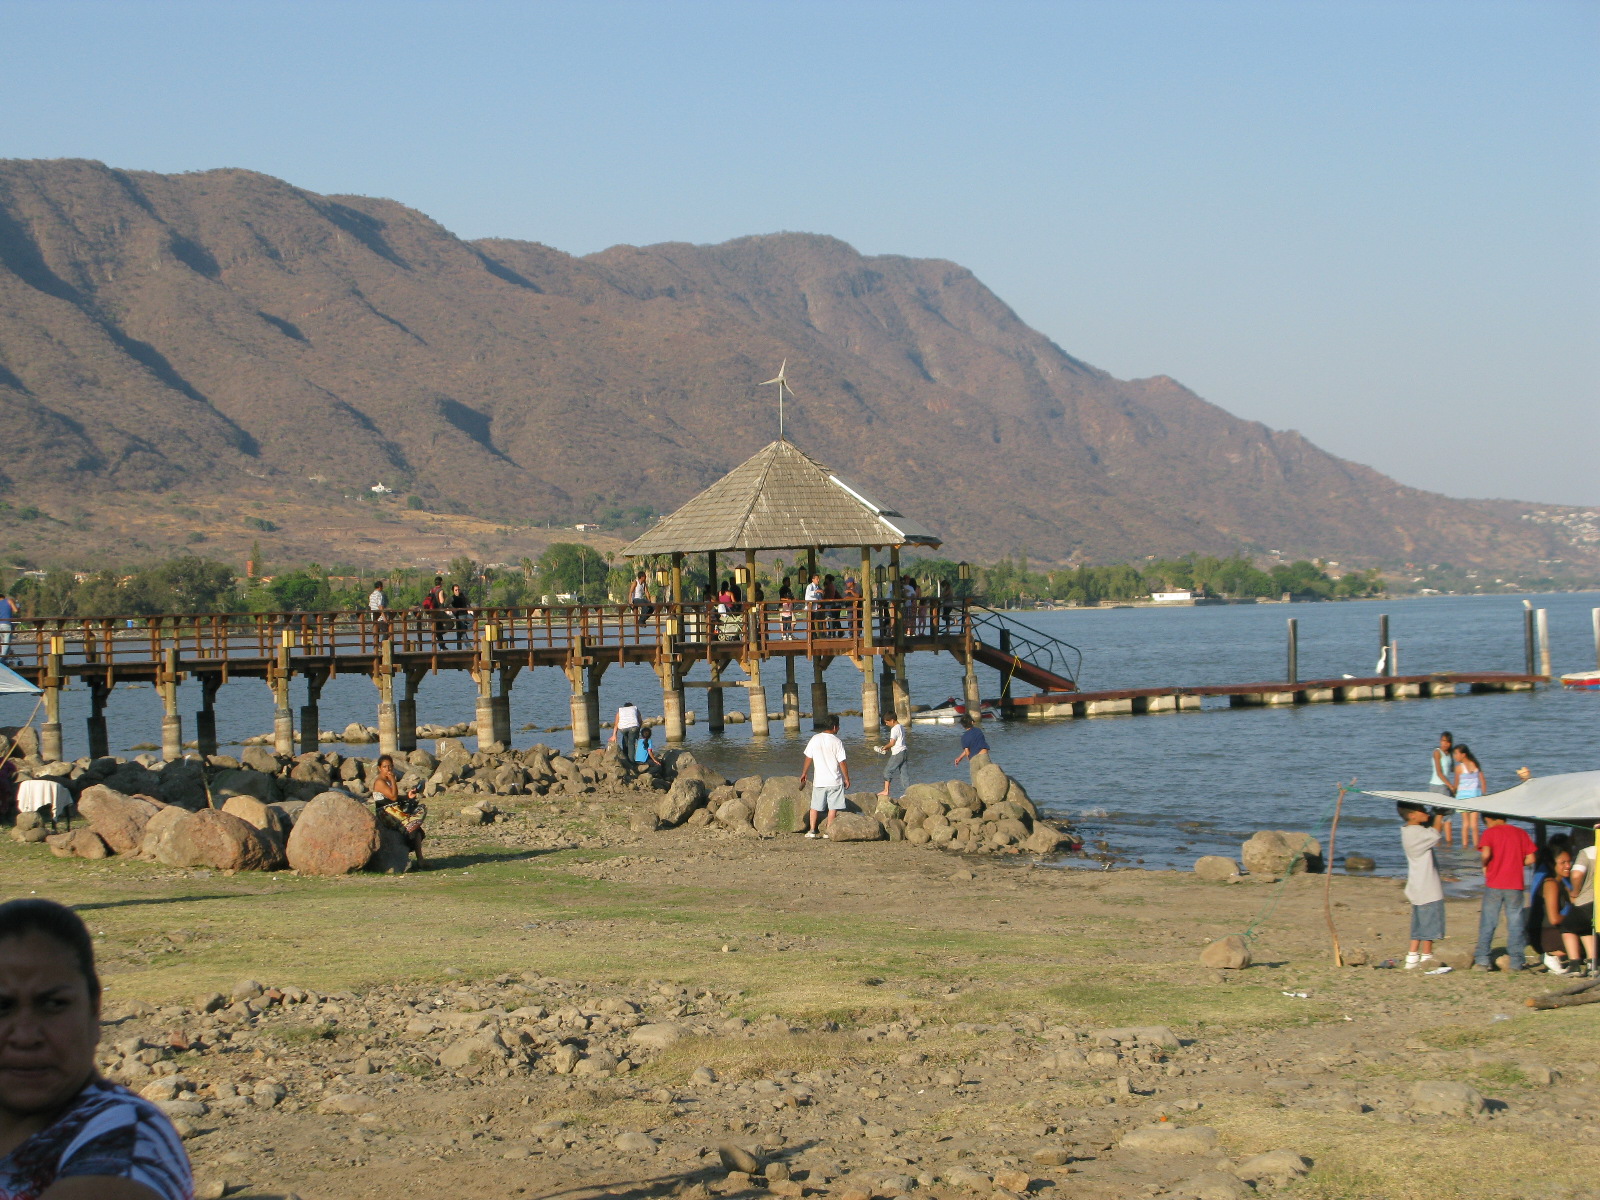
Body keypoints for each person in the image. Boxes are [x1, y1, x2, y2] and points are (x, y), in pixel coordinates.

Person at [0, 897, 194, 1199]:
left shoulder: (125, 1143)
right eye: (2, 1007)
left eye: (53, 1004)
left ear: (94, 1010)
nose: (25, 1036)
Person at [1473, 812, 1536, 971]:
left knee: (1489, 921)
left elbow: (1486, 853)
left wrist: (1485, 864)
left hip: (1495, 882)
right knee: (1515, 922)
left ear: (1488, 819)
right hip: (1515, 883)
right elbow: (1531, 858)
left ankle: (1482, 959)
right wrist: (1516, 862)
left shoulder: (1490, 832)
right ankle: (1516, 961)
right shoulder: (1520, 833)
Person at [1398, 800, 1445, 970]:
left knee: (1418, 923)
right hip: (1427, 886)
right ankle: (1426, 956)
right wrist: (1440, 815)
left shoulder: (1409, 831)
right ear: (1412, 815)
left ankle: (1412, 956)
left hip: (1418, 885)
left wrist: (1433, 816)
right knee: (1429, 923)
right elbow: (1436, 834)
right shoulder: (1415, 833)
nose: (1425, 812)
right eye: (1422, 810)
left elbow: (1430, 832)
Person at [1527, 837, 1577, 975]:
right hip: (1545, 934)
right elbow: (1554, 919)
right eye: (1563, 862)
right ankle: (1551, 954)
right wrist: (1574, 918)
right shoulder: (1551, 884)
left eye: (1569, 862)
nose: (1568, 866)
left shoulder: (1563, 882)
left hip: (1552, 930)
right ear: (1552, 863)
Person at [372, 753, 427, 870]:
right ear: (379, 768)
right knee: (411, 826)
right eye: (385, 767)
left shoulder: (387, 781)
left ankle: (421, 860)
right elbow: (392, 797)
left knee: (417, 829)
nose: (388, 769)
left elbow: (395, 797)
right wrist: (393, 780)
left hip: (394, 810)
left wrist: (407, 796)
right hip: (386, 813)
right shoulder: (380, 782)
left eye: (390, 766)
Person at [799, 714, 849, 840]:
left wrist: (804, 772)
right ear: (834, 727)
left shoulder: (815, 739)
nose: (839, 728)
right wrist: (847, 778)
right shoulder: (837, 742)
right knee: (833, 808)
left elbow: (808, 757)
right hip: (835, 781)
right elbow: (842, 762)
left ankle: (812, 830)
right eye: (838, 726)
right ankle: (828, 831)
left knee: (814, 807)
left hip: (819, 781)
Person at [1565, 828, 1598, 976]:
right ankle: (1592, 962)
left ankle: (1574, 964)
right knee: (1586, 927)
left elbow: (1577, 874)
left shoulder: (1588, 853)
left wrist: (1575, 892)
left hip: (1589, 900)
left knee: (1568, 926)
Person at [1451, 743, 1486, 850]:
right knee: (1474, 825)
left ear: (1463, 754)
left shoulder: (1459, 768)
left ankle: (1465, 846)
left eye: (1456, 754)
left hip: (1463, 798)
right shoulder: (1476, 764)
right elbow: (1483, 781)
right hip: (1475, 796)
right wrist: (1484, 795)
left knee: (1465, 824)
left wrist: (1453, 792)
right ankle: (1476, 846)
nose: (1455, 756)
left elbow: (1456, 784)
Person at [1427, 731, 1456, 845]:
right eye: (1443, 741)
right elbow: (1439, 773)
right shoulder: (1437, 752)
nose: (1445, 744)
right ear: (1440, 741)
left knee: (1447, 815)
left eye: (1447, 742)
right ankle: (1437, 841)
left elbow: (1452, 770)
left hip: (1445, 786)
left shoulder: (1449, 754)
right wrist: (1450, 785)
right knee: (1440, 815)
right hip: (1437, 785)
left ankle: (1448, 844)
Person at [875, 712, 907, 799]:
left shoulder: (894, 729)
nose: (886, 724)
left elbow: (892, 743)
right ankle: (907, 792)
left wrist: (884, 748)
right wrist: (889, 748)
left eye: (887, 722)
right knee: (903, 773)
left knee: (887, 771)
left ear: (892, 720)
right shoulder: (901, 727)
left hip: (898, 753)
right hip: (904, 751)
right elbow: (898, 742)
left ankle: (886, 791)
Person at [609, 701, 642, 774]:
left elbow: (616, 724)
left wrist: (614, 735)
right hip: (633, 727)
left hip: (623, 728)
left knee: (625, 740)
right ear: (631, 706)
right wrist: (638, 731)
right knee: (631, 744)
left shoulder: (620, 711)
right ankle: (631, 762)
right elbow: (640, 720)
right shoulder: (635, 709)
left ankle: (625, 758)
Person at [421, 575, 448, 651]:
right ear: (441, 582)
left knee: (437, 628)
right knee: (450, 624)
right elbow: (441, 601)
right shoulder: (440, 590)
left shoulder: (431, 590)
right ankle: (442, 645)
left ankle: (441, 646)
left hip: (432, 612)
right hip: (438, 612)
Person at [449, 583, 471, 649]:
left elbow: (468, 602)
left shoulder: (463, 596)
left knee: (473, 621)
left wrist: (469, 606)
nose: (458, 591)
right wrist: (453, 609)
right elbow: (446, 605)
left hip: (466, 614)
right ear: (453, 591)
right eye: (456, 590)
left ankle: (464, 630)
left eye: (458, 589)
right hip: (459, 615)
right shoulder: (452, 598)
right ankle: (468, 646)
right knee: (462, 631)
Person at [0, 590, 18, 663]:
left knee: (2, 643)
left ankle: (4, 660)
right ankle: (1, 660)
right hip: (6, 624)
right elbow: (16, 610)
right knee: (6, 643)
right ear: (3, 597)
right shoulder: (9, 600)